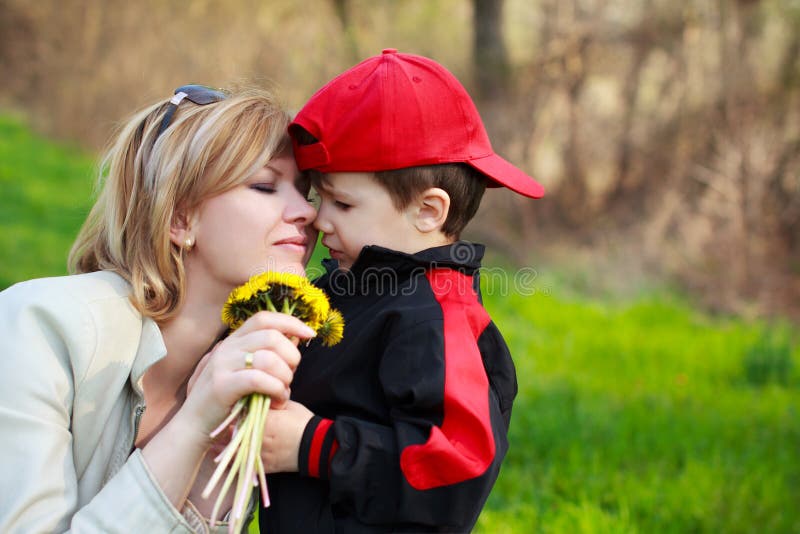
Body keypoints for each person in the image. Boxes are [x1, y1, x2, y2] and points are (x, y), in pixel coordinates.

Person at [0, 85, 319, 533]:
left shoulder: (253, 373)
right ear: (179, 219)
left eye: (307, 192)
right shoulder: (38, 326)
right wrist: (193, 422)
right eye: (265, 185)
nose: (306, 211)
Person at [259, 49, 545, 532]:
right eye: (319, 197)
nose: (319, 219)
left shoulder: (433, 317)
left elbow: (457, 471)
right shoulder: (354, 285)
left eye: (343, 204)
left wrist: (312, 445)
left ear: (428, 212)